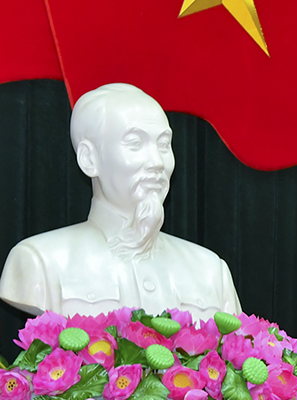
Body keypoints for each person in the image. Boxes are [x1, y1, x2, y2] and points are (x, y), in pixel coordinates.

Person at [0, 83, 241, 321]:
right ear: (89, 159)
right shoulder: (40, 262)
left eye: (163, 145)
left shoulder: (210, 271)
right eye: (135, 143)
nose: (157, 162)